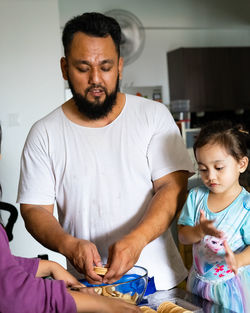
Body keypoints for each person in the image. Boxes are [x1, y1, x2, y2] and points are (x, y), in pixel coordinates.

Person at [17, 12, 194, 291]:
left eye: (106, 66)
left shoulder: (153, 115)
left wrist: (136, 240)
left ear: (120, 67)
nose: (96, 79)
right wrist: (68, 245)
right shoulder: (44, 133)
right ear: (64, 68)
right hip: (86, 289)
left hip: (161, 282)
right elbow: (34, 209)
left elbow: (173, 187)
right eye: (83, 67)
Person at [0, 124, 141, 313]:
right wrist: (101, 304)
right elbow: (13, 296)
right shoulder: (45, 133)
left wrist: (47, 266)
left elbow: (4, 266)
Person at [178, 120, 250, 312]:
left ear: (241, 164)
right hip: (198, 284)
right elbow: (183, 237)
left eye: (218, 168)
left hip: (232, 288)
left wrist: (239, 260)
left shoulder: (247, 206)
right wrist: (199, 231)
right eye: (203, 169)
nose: (210, 176)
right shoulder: (196, 197)